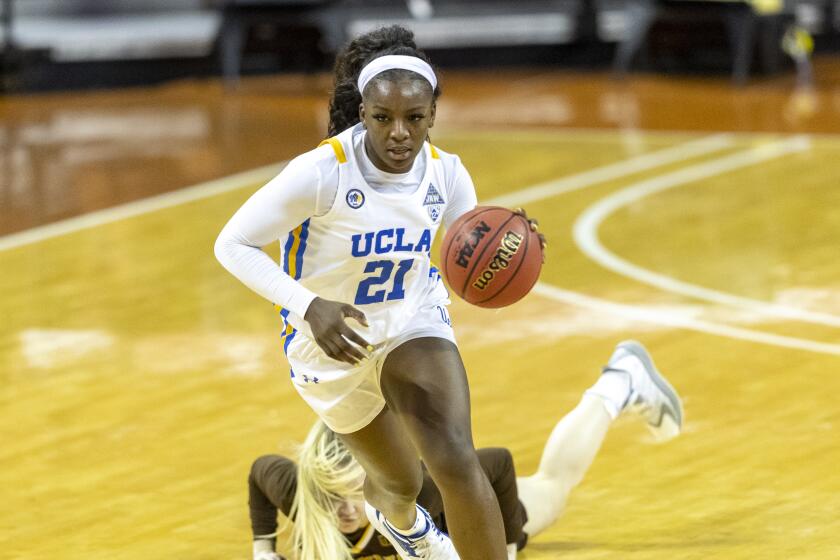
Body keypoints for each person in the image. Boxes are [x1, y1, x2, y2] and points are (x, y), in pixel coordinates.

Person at [215, 24, 543, 560]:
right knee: (398, 483)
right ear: (363, 113)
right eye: (383, 118)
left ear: (432, 116)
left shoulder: (448, 174)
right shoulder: (322, 172)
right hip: (327, 342)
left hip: (412, 320)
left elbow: (470, 256)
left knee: (455, 458)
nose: (399, 133)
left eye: (414, 118)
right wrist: (308, 305)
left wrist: (513, 242)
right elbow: (232, 244)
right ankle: (405, 528)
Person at [247, 340, 683, 560]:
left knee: (554, 484)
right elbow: (260, 473)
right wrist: (263, 550)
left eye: (351, 492)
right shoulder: (304, 494)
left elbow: (498, 465)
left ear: (378, 479)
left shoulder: (422, 494)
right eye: (331, 495)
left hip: (477, 520)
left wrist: (506, 545)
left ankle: (619, 382)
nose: (342, 508)